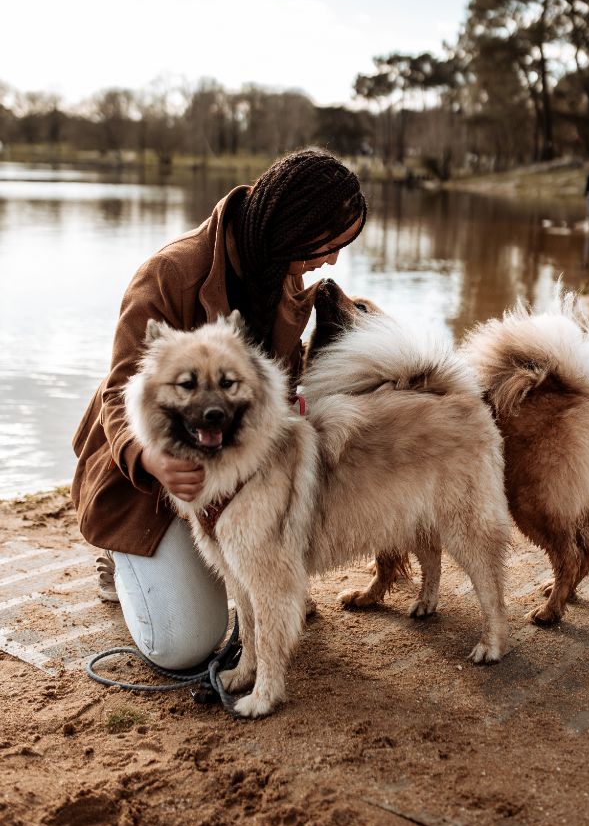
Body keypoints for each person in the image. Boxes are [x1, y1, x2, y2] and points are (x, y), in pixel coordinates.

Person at [71, 149, 367, 669]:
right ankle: (122, 561)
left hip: (238, 474)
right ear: (293, 225)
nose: (333, 260)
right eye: (329, 243)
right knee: (185, 645)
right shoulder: (169, 272)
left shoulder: (280, 273)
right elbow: (120, 389)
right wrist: (150, 460)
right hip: (149, 475)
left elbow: (280, 395)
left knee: (276, 596)